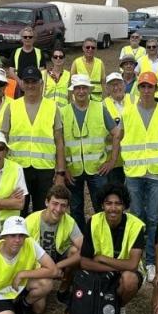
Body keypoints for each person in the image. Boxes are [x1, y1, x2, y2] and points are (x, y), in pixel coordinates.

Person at [121, 71, 158, 283]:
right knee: (136, 217)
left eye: (149, 87)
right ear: (138, 89)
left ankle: (151, 260)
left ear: (155, 89)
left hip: (156, 172)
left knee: (153, 217)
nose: (145, 90)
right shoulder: (128, 111)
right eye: (142, 86)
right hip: (133, 171)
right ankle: (137, 258)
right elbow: (121, 136)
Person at [74, 183, 145, 314]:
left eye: (118, 203)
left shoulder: (136, 225)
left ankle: (119, 308)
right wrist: (116, 268)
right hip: (100, 272)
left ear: (124, 205)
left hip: (124, 273)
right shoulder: (93, 222)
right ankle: (101, 307)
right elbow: (85, 262)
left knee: (129, 279)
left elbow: (132, 265)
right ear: (102, 205)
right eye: (109, 203)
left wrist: (103, 258)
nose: (113, 208)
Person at [1, 66, 66, 215]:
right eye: (27, 82)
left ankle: (38, 239)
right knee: (18, 211)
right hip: (18, 169)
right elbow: (3, 139)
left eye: (34, 81)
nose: (30, 85)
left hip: (44, 169)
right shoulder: (11, 106)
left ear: (41, 83)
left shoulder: (52, 107)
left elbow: (59, 141)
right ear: (22, 83)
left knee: (42, 212)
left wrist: (60, 173)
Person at [61, 74, 121, 232]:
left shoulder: (100, 108)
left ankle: (103, 237)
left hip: (97, 169)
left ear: (89, 90)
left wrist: (112, 160)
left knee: (100, 206)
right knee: (75, 208)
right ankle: (81, 241)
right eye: (77, 88)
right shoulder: (63, 112)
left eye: (84, 88)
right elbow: (58, 142)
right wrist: (63, 168)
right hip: (73, 170)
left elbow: (116, 133)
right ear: (72, 91)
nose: (81, 91)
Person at [24, 184, 83, 303]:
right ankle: (24, 297)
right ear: (46, 202)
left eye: (63, 206)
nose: (58, 209)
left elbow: (85, 249)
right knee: (38, 309)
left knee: (74, 251)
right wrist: (47, 269)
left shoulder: (69, 221)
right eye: (55, 203)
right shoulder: (29, 221)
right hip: (37, 263)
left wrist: (59, 266)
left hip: (57, 259)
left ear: (67, 208)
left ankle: (63, 290)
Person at [103, 71, 132, 185]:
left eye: (119, 84)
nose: (116, 87)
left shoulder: (135, 100)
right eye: (112, 85)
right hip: (113, 162)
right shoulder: (103, 106)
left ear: (124, 84)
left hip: (133, 159)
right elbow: (104, 133)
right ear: (107, 88)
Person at [70, 38, 106, 102]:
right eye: (87, 47)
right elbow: (72, 82)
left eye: (93, 48)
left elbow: (103, 82)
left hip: (97, 100)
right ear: (83, 48)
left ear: (96, 49)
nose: (90, 49)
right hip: (81, 99)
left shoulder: (100, 63)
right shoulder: (76, 62)